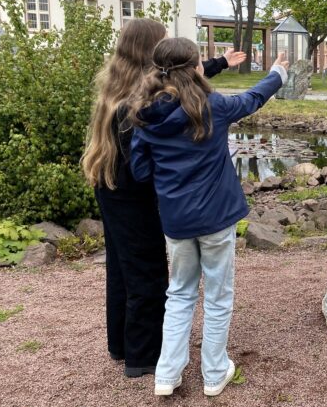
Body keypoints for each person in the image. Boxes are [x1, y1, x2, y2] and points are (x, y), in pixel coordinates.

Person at [81, 19, 246, 379]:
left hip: (110, 188)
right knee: (146, 272)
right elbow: (182, 104)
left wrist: (218, 63)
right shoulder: (137, 103)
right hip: (132, 195)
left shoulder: (121, 87)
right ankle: (143, 356)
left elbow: (181, 91)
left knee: (122, 269)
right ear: (149, 51)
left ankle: (122, 344)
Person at [128, 37, 288, 397]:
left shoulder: (144, 114)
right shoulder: (211, 106)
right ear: (196, 68)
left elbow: (140, 171)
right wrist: (278, 72)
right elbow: (252, 99)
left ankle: (167, 374)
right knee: (218, 295)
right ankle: (215, 374)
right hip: (217, 218)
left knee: (180, 292)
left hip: (176, 221)